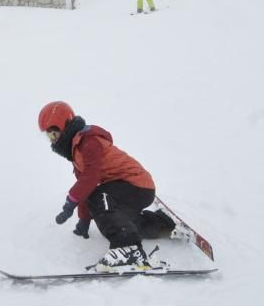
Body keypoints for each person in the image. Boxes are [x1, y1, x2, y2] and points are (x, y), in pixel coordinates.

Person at [38, 101, 176, 273]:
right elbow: (85, 186)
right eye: (49, 136)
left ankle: (129, 249)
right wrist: (84, 219)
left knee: (99, 200)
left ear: (65, 124)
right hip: (128, 189)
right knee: (117, 224)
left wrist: (70, 201)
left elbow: (91, 177)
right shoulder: (76, 152)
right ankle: (163, 224)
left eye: (54, 133)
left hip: (137, 185)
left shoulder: (88, 141)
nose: (53, 140)